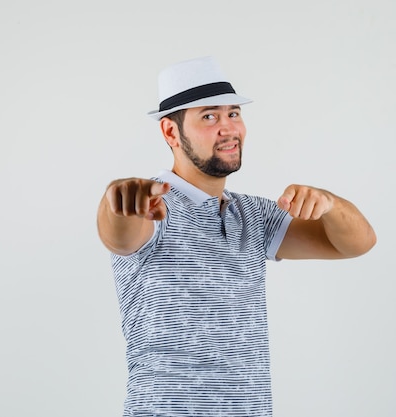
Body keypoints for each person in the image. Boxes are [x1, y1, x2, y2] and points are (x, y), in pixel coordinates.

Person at [97, 56, 376, 417]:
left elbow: (357, 243)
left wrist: (330, 204)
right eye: (210, 116)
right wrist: (120, 201)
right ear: (170, 132)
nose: (229, 128)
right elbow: (120, 237)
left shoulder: (253, 215)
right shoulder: (153, 206)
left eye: (233, 113)